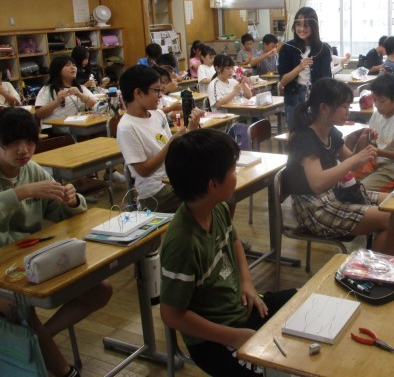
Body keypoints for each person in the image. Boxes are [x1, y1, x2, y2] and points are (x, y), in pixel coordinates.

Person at [160, 129, 295, 376]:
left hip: (242, 309)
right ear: (213, 184)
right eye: (233, 170)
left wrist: (247, 283)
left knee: (303, 302)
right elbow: (171, 315)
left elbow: (234, 242)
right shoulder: (182, 244)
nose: (237, 174)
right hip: (214, 340)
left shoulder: (218, 208)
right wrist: (233, 336)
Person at [0, 107, 112, 377]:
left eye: (29, 141)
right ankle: (64, 371)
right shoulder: (26, 178)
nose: (23, 150)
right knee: (22, 311)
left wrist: (72, 200)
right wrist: (21, 193)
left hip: (29, 259)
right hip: (6, 269)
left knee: (100, 290)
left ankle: (37, 341)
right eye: (13, 142)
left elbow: (60, 210)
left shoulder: (32, 170)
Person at [284, 77, 394, 256]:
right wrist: (353, 161)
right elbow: (317, 183)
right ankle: (372, 267)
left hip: (334, 196)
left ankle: (379, 257)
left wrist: (363, 141)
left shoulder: (330, 131)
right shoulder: (306, 138)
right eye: (344, 106)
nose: (348, 111)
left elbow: (352, 161)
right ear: (324, 108)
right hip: (314, 208)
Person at [116, 65, 203, 212]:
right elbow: (144, 171)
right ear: (138, 93)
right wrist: (172, 143)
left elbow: (176, 154)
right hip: (154, 193)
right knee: (209, 197)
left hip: (172, 180)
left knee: (218, 186)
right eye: (156, 90)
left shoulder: (158, 115)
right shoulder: (127, 127)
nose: (160, 95)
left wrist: (192, 131)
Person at [278, 7, 333, 130]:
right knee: (295, 135)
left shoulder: (323, 49)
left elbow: (326, 81)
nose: (301, 29)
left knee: (316, 134)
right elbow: (283, 82)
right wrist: (299, 67)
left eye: (306, 25)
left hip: (317, 98)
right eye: (298, 24)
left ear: (314, 26)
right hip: (294, 97)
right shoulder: (287, 48)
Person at [35, 55, 99, 122]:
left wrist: (80, 95)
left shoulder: (80, 88)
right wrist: (57, 102)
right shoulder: (47, 89)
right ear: (58, 70)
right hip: (53, 126)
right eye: (67, 65)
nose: (73, 67)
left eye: (74, 65)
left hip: (77, 125)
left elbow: (97, 106)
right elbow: (39, 114)